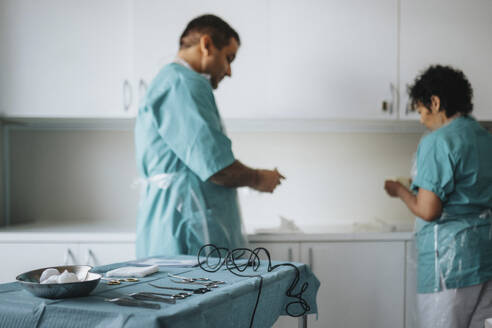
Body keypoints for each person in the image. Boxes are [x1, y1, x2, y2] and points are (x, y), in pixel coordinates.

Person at [134, 14, 285, 258]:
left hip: (175, 224)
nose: (229, 71)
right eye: (228, 58)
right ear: (206, 45)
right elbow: (217, 168)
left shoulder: (174, 82)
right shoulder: (182, 84)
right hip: (187, 230)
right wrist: (258, 178)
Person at [384, 65, 492, 328]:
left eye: (421, 111)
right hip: (485, 260)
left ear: (435, 102)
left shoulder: (438, 141)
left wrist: (400, 191)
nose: (421, 120)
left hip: (449, 265)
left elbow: (429, 210)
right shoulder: (485, 138)